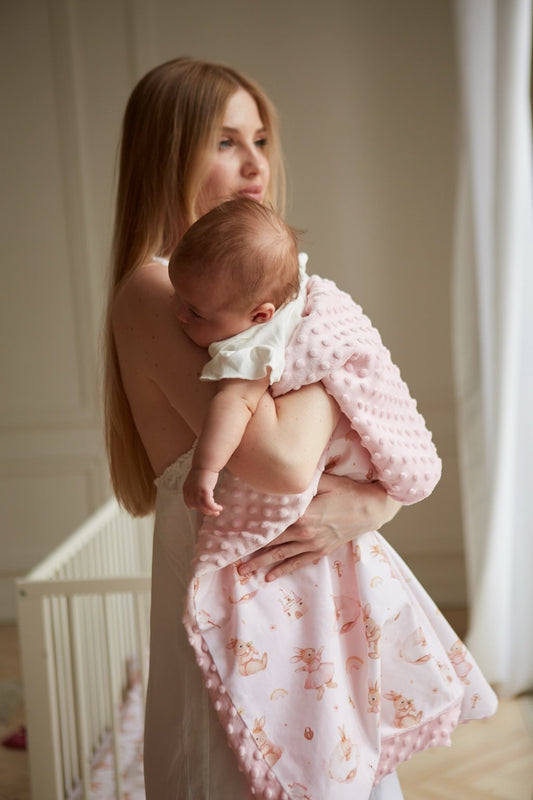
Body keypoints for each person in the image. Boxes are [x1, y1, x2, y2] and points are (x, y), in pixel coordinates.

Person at [104, 58, 494, 800]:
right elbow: (284, 461)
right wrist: (322, 332)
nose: (255, 163)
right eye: (223, 142)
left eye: (259, 138)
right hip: (242, 618)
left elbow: (336, 467)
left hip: (309, 615)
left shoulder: (253, 300)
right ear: (166, 154)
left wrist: (376, 503)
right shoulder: (158, 291)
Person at [169, 197, 305, 516]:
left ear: (260, 316)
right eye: (177, 295)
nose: (178, 314)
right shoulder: (276, 285)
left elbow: (236, 404)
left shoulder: (252, 344)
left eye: (195, 313)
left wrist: (205, 469)